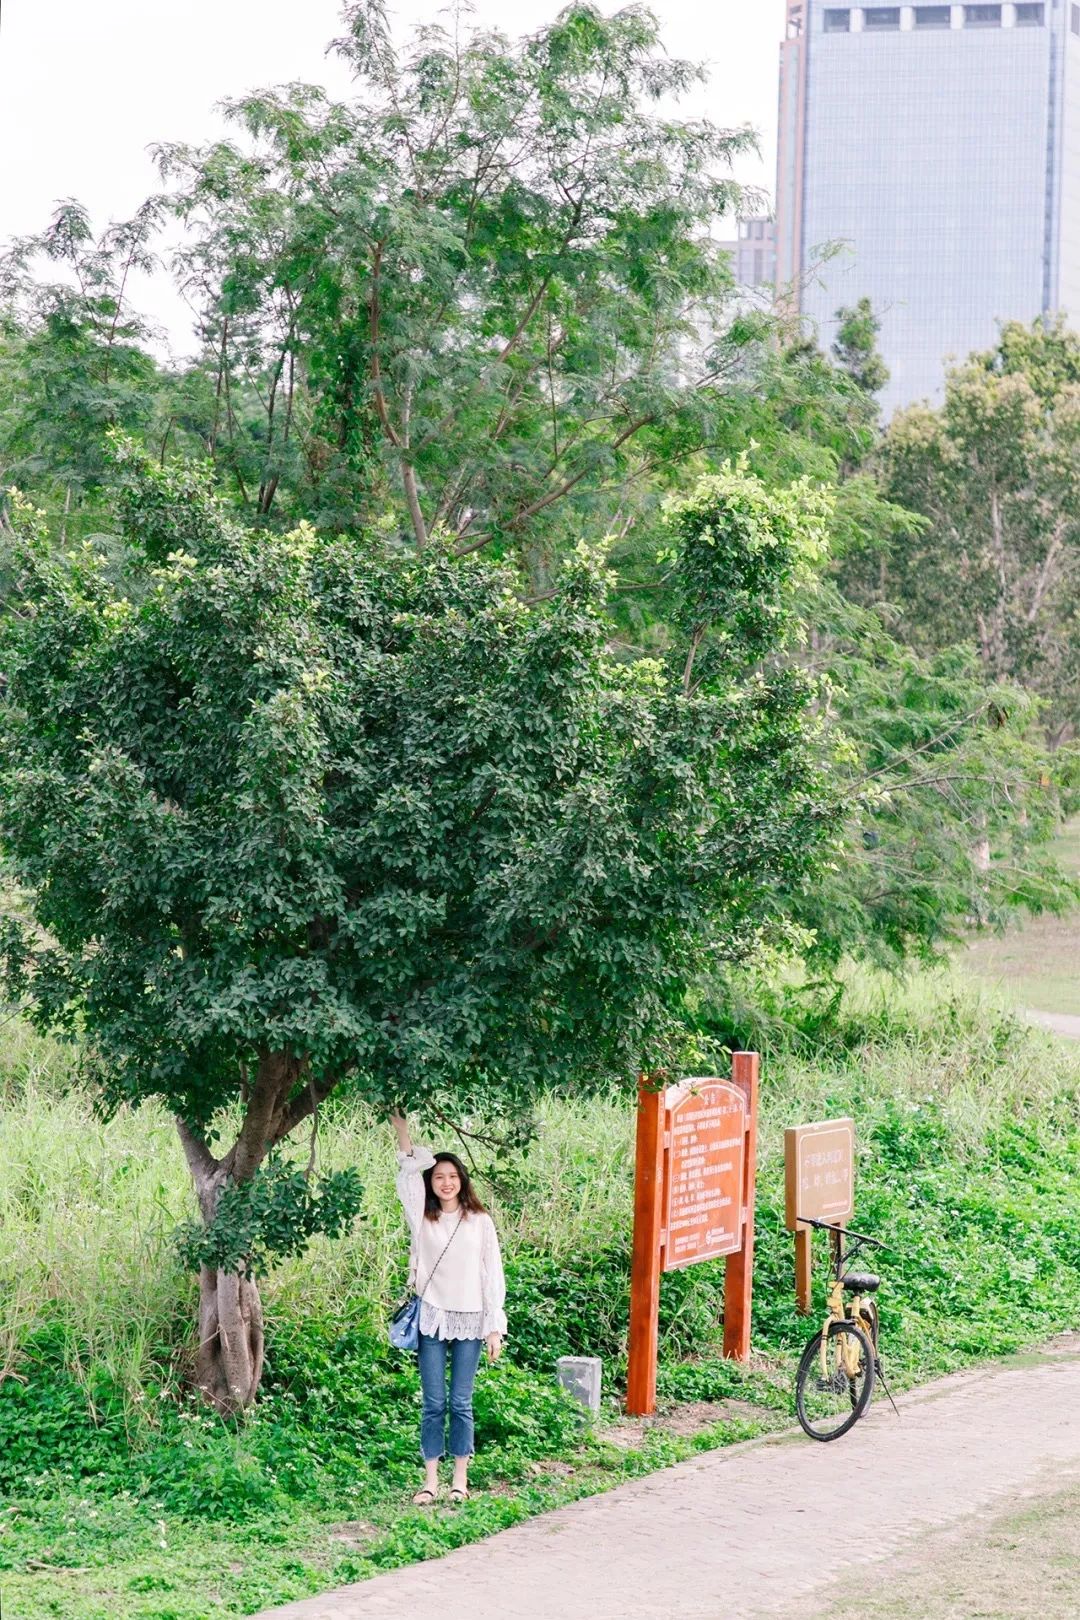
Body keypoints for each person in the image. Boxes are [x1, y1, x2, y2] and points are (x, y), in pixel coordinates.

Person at [390, 1110, 507, 1504]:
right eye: (438, 1177)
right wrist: (402, 1128)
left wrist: (494, 1327)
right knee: (433, 1403)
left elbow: (492, 1276)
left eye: (452, 1176)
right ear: (431, 1182)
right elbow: (407, 1172)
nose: (445, 1183)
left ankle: (460, 1480)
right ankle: (430, 1481)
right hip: (432, 1318)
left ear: (462, 1181)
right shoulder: (421, 1217)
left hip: (472, 1319)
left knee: (460, 1402)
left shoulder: (480, 1221)